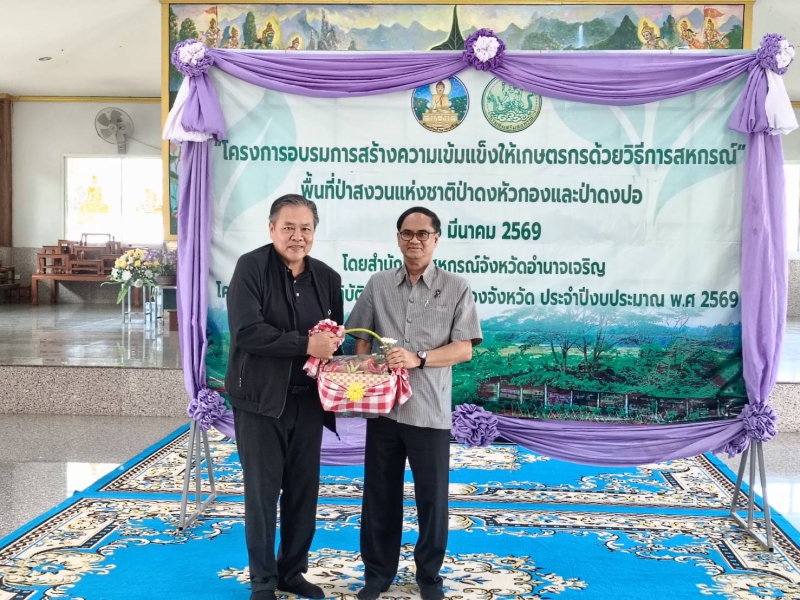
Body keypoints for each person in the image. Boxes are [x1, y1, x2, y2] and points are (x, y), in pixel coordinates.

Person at [346, 207, 482, 600]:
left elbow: (464, 349)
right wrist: (366, 367)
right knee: (379, 495)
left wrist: (418, 358)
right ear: (398, 238)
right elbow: (360, 337)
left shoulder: (456, 287)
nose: (415, 240)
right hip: (385, 411)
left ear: (436, 239)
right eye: (407, 233)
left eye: (423, 234)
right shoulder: (378, 284)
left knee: (432, 500)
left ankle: (429, 576)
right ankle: (377, 575)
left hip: (429, 411)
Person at [225, 194, 342, 600]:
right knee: (262, 495)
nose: (297, 236)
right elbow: (247, 332)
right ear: (272, 228)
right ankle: (263, 581)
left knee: (302, 493)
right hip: (261, 402)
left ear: (314, 232)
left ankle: (292, 571)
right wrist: (305, 344)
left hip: (309, 402)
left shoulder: (327, 278)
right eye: (288, 227)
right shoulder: (251, 268)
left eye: (305, 228)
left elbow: (333, 339)